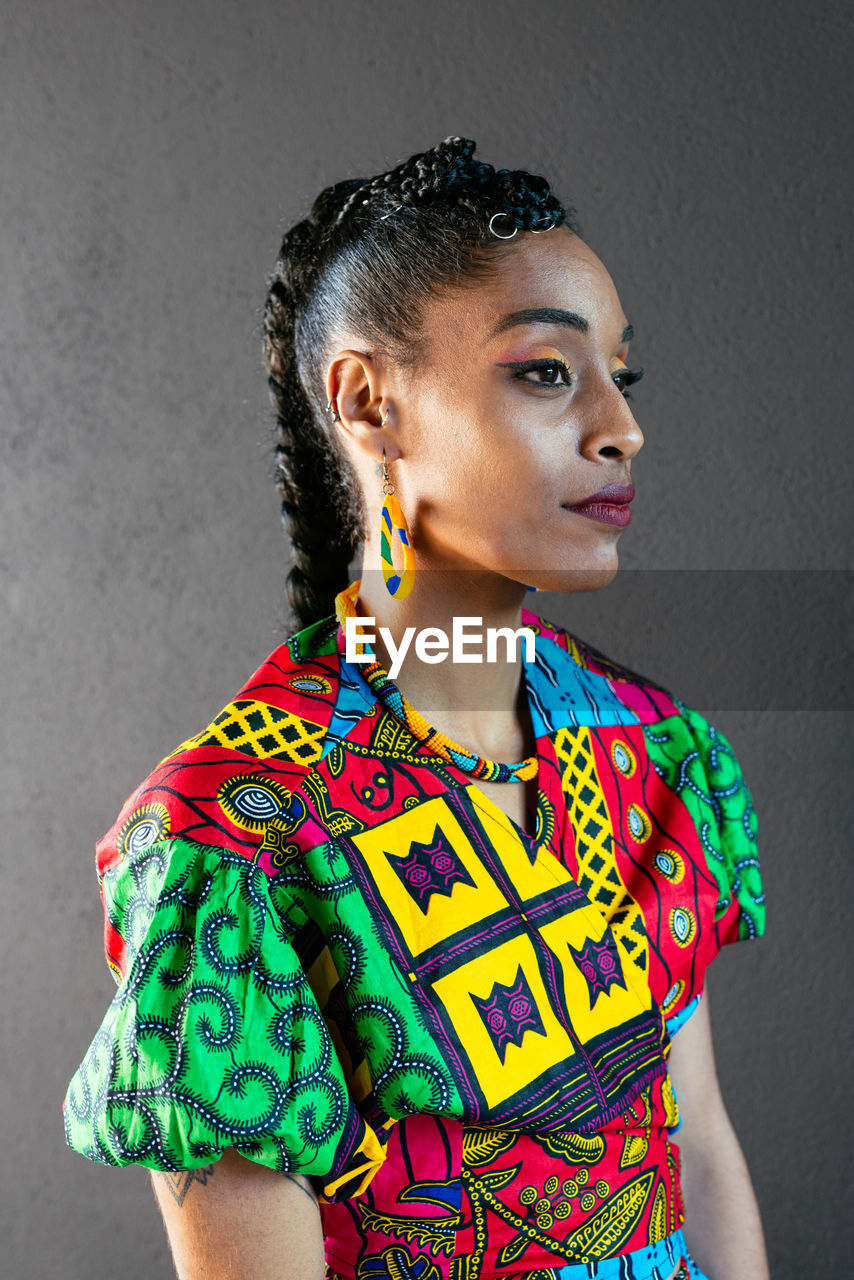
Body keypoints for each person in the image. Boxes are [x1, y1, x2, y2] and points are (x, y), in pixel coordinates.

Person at [62, 136, 769, 1280]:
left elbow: (696, 1147)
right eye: (546, 371)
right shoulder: (233, 843)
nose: (618, 426)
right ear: (366, 402)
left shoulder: (649, 749)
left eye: (618, 377)